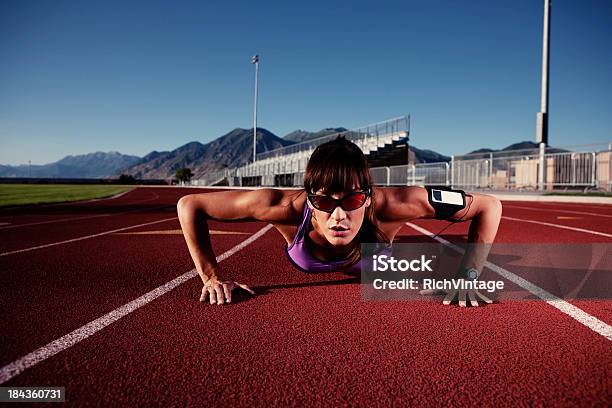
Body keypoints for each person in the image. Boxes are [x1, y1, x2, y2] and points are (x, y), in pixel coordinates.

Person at [177, 136, 502, 306]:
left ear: (369, 196)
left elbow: (489, 205)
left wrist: (469, 274)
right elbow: (189, 204)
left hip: (371, 254)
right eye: (323, 201)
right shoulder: (282, 207)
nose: (338, 216)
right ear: (309, 198)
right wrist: (211, 277)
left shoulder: (397, 203)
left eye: (351, 200)